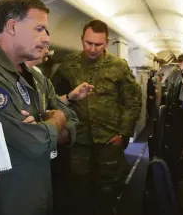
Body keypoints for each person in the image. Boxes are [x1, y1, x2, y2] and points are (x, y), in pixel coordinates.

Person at [0, 0, 78, 215]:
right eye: (39, 29)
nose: (46, 38)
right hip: (8, 199)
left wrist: (50, 125)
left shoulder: (34, 76)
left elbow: (73, 123)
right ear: (12, 27)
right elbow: (34, 143)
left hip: (40, 190)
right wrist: (57, 119)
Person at [51, 19, 142, 215]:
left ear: (106, 43)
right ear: (82, 39)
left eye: (98, 44)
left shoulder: (119, 66)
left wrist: (123, 134)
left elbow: (132, 102)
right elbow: (53, 96)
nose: (92, 49)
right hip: (79, 138)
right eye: (88, 43)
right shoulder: (69, 64)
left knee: (107, 187)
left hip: (109, 138)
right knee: (78, 185)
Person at [25, 31, 94, 215]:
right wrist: (55, 118)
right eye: (44, 46)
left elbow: (51, 103)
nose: (47, 52)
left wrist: (70, 97)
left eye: (48, 47)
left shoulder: (38, 74)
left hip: (47, 147)